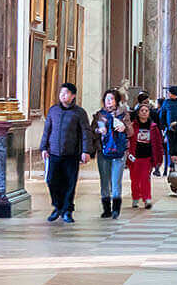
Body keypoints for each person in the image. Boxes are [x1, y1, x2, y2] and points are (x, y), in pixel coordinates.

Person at [40, 82, 91, 223]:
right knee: (51, 180)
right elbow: (47, 130)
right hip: (54, 152)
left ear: (73, 96)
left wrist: (86, 151)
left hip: (71, 154)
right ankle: (57, 206)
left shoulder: (79, 113)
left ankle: (67, 210)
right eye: (61, 93)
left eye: (66, 93)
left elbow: (86, 133)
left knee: (69, 183)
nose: (63, 96)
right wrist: (43, 147)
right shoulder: (53, 110)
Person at [93, 89, 130, 219]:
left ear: (116, 101)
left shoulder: (123, 115)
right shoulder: (99, 115)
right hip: (103, 152)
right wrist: (99, 130)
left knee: (116, 181)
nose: (109, 101)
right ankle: (106, 209)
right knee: (104, 181)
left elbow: (131, 132)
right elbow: (92, 132)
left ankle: (116, 209)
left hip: (119, 152)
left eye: (112, 99)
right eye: (107, 99)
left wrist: (124, 128)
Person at [126, 99, 164, 209]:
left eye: (146, 111)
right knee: (135, 179)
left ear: (149, 113)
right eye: (142, 110)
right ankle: (135, 197)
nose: (144, 112)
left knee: (145, 179)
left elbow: (158, 143)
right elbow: (128, 140)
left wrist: (159, 157)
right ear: (138, 113)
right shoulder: (133, 126)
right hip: (134, 157)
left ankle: (147, 198)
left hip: (147, 157)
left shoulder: (153, 127)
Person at [157, 86, 177, 176]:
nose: (168, 94)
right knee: (172, 150)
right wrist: (164, 126)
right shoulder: (167, 102)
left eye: (169, 93)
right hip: (171, 131)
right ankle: (173, 168)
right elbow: (162, 115)